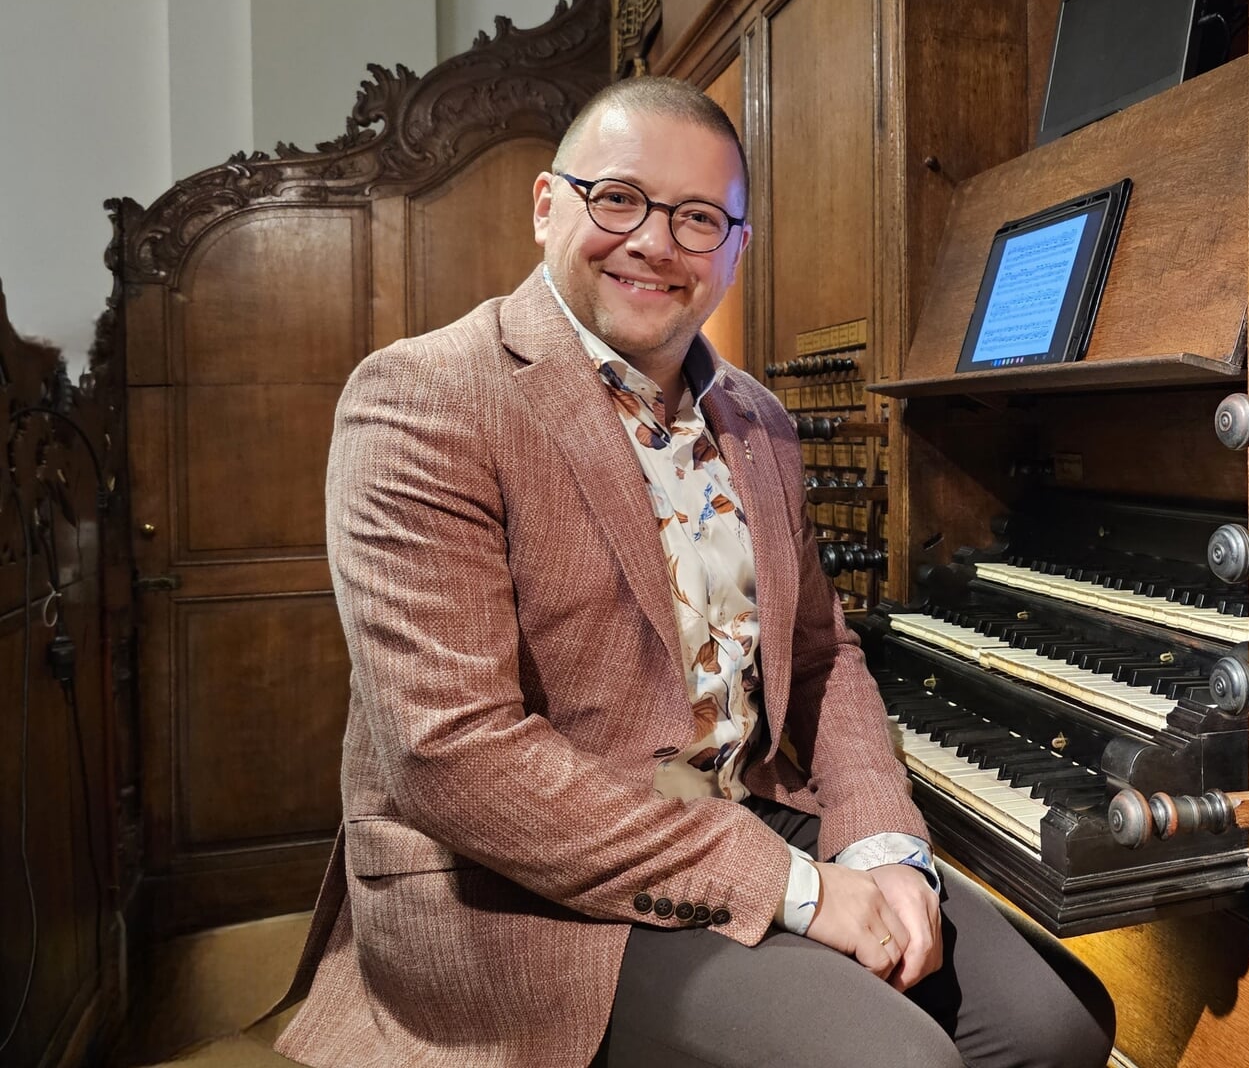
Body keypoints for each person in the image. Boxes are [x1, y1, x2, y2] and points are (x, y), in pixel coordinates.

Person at [271, 76, 1116, 1068]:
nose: (654, 241)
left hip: (734, 807)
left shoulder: (754, 419)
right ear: (547, 204)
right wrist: (799, 891)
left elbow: (820, 655)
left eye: (697, 217)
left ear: (734, 248)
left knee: (1052, 1032)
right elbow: (452, 756)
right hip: (516, 882)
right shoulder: (423, 398)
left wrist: (882, 846)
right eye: (617, 198)